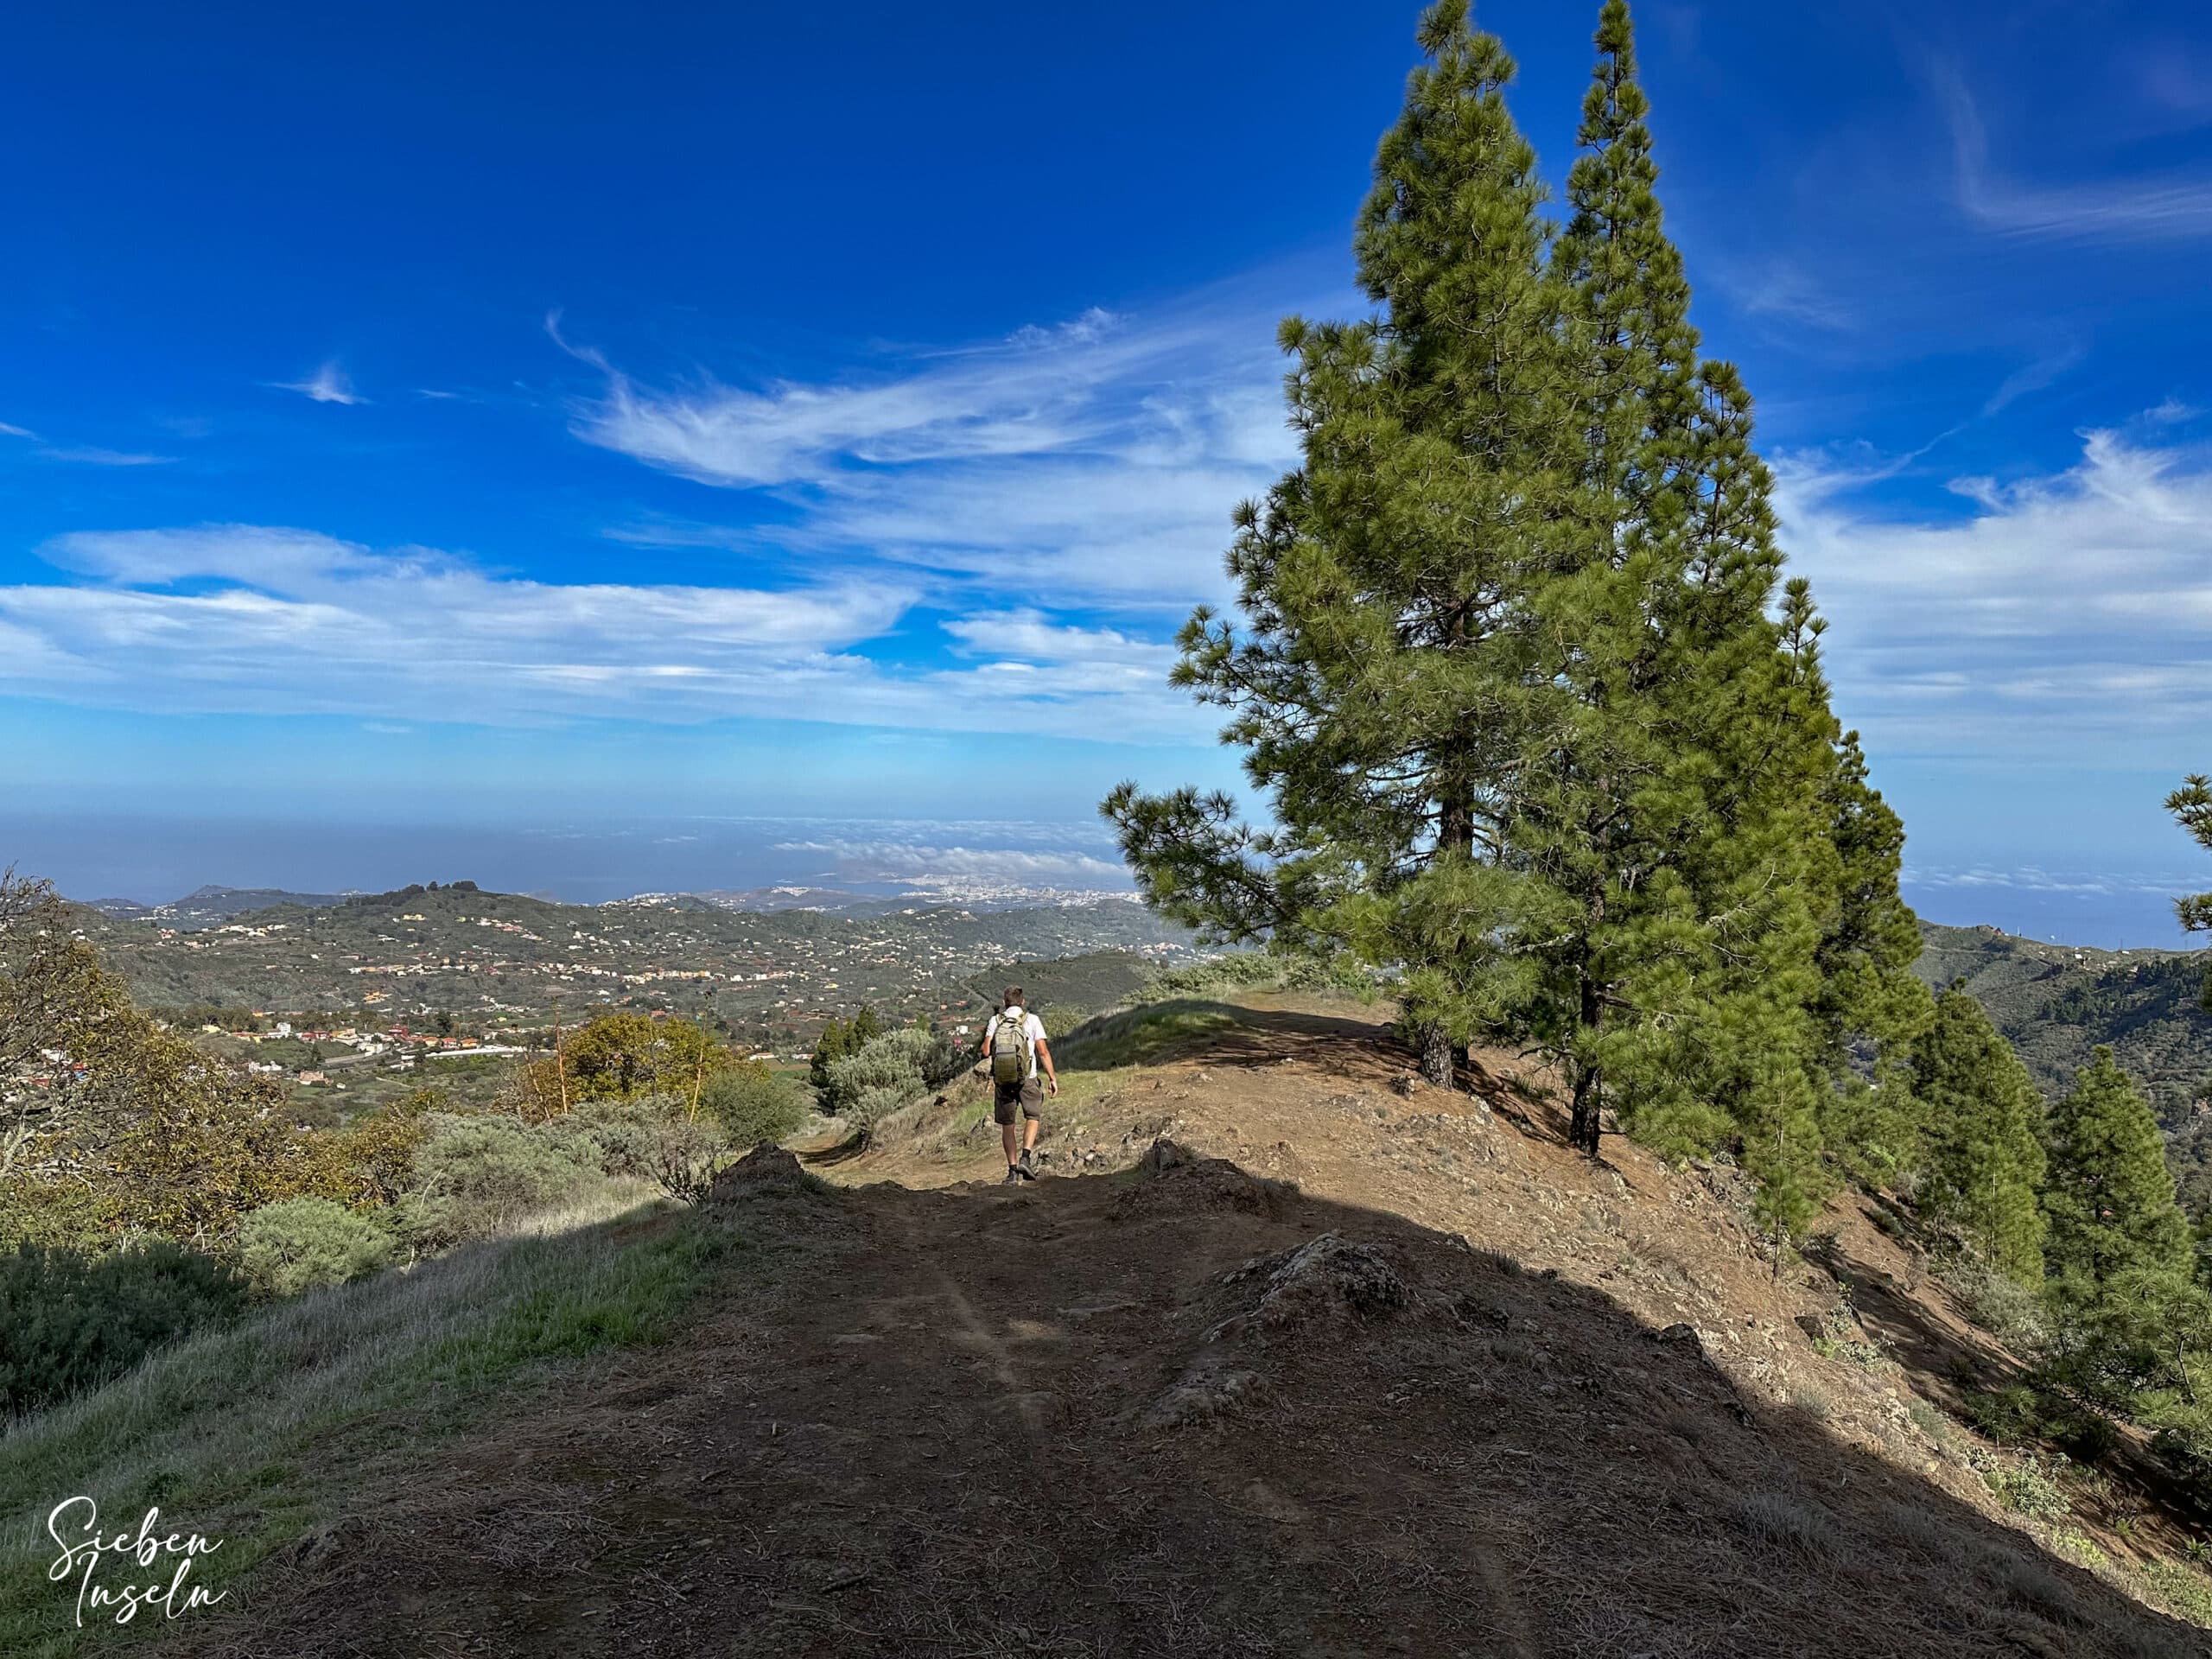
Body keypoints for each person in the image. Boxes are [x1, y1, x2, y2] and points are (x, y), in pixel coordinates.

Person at [981, 986, 1057, 1183]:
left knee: (1008, 1124)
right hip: (1028, 1078)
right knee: (1033, 1116)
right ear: (1022, 1002)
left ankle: (1012, 1171)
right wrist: (1052, 1077)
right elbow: (1043, 1052)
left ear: (1004, 1002)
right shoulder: (1031, 1020)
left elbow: (986, 1051)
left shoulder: (995, 1021)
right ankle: (1026, 1157)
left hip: (1003, 1080)